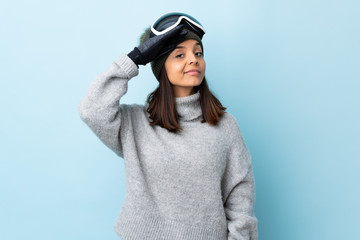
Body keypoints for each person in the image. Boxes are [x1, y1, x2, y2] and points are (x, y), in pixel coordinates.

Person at [79, 12, 258, 240]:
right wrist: (134, 59)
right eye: (179, 55)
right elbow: (92, 109)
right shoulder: (135, 123)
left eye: (198, 52)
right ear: (161, 66)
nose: (193, 59)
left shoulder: (225, 126)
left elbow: (240, 197)